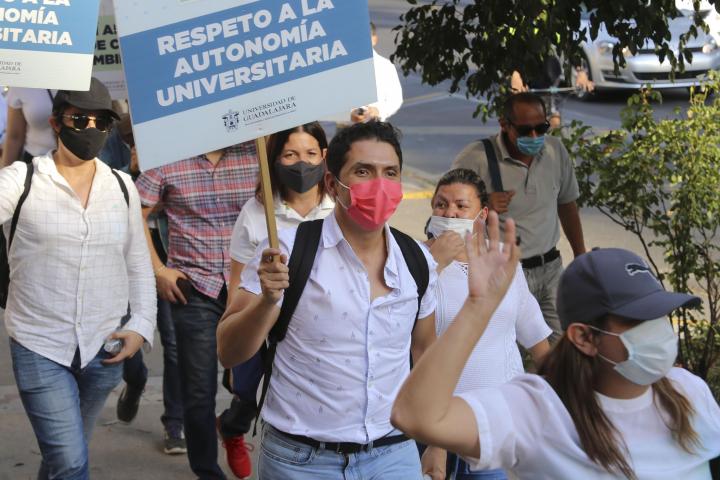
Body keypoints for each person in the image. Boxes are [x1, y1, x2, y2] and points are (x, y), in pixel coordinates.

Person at [391, 214, 720, 479]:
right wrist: (479, 306)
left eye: (660, 313)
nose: (659, 330)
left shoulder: (689, 392)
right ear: (584, 337)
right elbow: (414, 415)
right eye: (638, 320)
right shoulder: (536, 409)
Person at [218, 121, 438, 479]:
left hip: (393, 456)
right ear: (334, 184)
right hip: (301, 461)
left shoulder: (417, 261)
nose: (379, 184)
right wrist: (267, 302)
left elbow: (426, 356)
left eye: (390, 173)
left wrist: (437, 443)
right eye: (363, 171)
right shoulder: (286, 252)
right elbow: (228, 351)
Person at [0, 78, 156, 479]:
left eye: (101, 122)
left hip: (105, 349)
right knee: (70, 461)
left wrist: (140, 325)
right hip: (39, 345)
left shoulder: (122, 187)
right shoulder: (21, 181)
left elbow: (137, 263)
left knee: (64, 456)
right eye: (79, 119)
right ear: (56, 123)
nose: (90, 129)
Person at [135, 142, 259, 479]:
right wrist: (159, 269)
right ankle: (206, 470)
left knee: (250, 384)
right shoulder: (168, 155)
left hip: (249, 288)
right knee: (199, 389)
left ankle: (232, 426)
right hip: (195, 290)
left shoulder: (256, 152)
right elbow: (131, 210)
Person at [421, 168, 551, 480]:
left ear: (482, 213)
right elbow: (412, 343)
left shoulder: (502, 261)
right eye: (441, 204)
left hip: (494, 428)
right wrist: (434, 264)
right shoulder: (414, 261)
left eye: (460, 206)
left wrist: (563, 397)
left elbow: (535, 335)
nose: (449, 212)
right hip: (436, 430)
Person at [452, 92, 586, 338]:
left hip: (551, 269)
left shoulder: (555, 151)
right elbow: (446, 211)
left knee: (562, 348)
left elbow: (567, 204)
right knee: (507, 348)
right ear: (504, 125)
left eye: (541, 127)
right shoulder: (477, 158)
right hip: (505, 273)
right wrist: (482, 203)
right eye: (525, 130)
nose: (534, 136)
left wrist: (581, 256)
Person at [350, 22, 404, 124]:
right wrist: (350, 113)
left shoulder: (385, 66)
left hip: (376, 127)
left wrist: (378, 110)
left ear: (374, 39)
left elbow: (395, 99)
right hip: (346, 129)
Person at [1, 87, 56, 165]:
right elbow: (14, 136)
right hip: (35, 162)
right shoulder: (21, 84)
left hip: (76, 162)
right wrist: (4, 172)